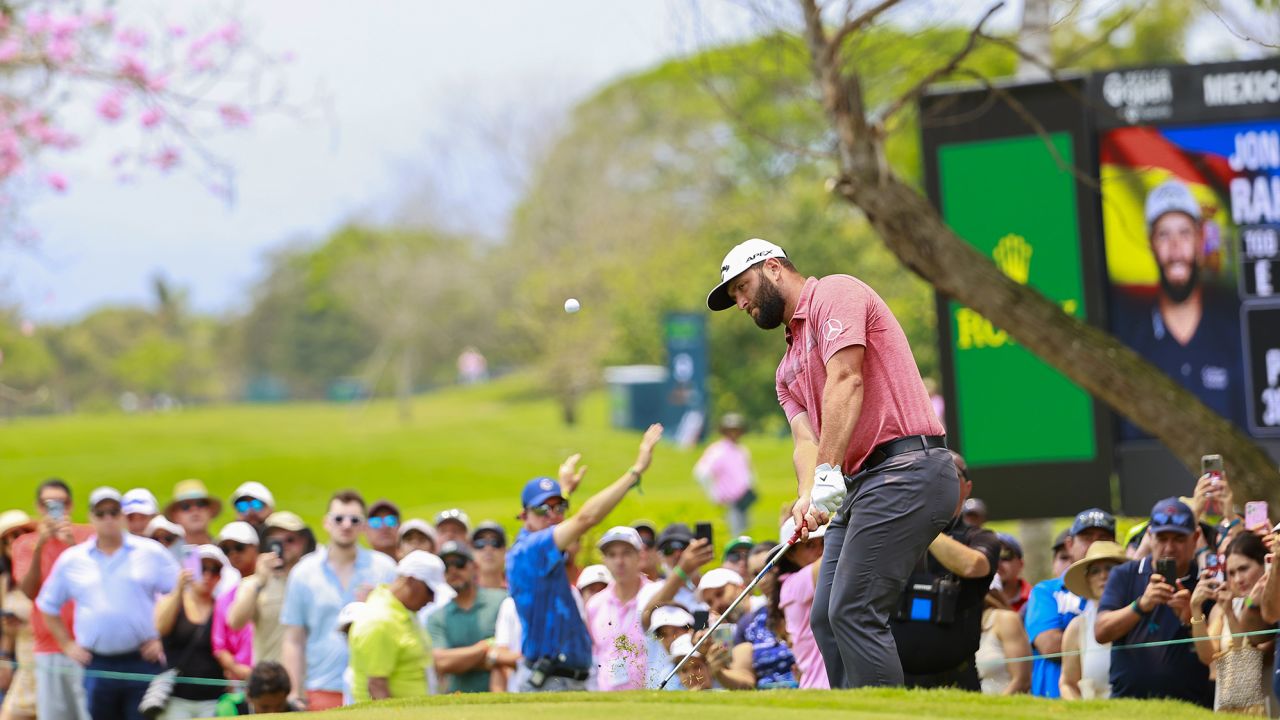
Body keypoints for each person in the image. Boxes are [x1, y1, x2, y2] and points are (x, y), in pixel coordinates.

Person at [707, 238, 958, 689]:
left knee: (854, 609)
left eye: (743, 287)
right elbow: (806, 440)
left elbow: (848, 378)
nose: (742, 302)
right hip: (864, 485)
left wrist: (827, 475)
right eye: (735, 298)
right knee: (824, 616)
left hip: (909, 467)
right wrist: (808, 496)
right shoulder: (786, 368)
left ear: (774, 268)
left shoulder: (834, 294)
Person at [507, 424, 663, 692]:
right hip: (550, 679)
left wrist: (566, 492)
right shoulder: (528, 550)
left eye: (559, 507)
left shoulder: (543, 544)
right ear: (523, 516)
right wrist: (635, 471)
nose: (552, 514)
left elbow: (566, 531)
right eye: (542, 509)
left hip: (570, 678)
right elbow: (586, 519)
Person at [36, 487, 180, 720]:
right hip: (97, 662)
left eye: (114, 512)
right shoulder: (74, 559)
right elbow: (48, 605)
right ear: (92, 517)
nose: (108, 519)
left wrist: (163, 640)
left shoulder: (149, 552)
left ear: (122, 515)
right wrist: (67, 644)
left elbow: (179, 593)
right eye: (101, 513)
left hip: (142, 658)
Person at [1118, 178, 1247, 437]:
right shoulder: (1131, 343)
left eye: (1184, 233)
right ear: (1151, 244)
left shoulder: (1233, 339)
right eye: (1164, 234)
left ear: (1200, 242)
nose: (1175, 247)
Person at [890, 452, 1001, 691]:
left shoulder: (979, 537)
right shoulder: (894, 532)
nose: (939, 480)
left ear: (967, 487)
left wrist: (921, 525)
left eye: (951, 474)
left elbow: (974, 565)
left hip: (956, 679)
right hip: (897, 679)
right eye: (929, 474)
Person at [280, 491, 396, 710]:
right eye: (339, 519)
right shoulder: (304, 572)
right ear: (326, 523)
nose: (346, 525)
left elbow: (398, 627)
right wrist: (295, 692)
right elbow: (294, 638)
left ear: (363, 526)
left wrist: (378, 603)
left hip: (374, 687)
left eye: (354, 520)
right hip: (321, 688)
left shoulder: (384, 568)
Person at [1095, 498, 1213, 707]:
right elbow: (1101, 632)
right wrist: (1140, 606)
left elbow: (1217, 652)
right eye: (1161, 538)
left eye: (1178, 538)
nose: (1169, 547)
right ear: (1149, 537)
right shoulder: (1125, 575)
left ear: (1195, 538)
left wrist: (1191, 618)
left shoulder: (1205, 581)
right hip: (1127, 706)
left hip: (1192, 707)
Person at [11, 478, 93, 720]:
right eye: (49, 504)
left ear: (70, 505)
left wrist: (71, 545)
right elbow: (29, 591)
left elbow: (95, 582)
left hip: (85, 643)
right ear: (39, 507)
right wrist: (40, 546)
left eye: (62, 503)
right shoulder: (25, 543)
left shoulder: (87, 536)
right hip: (47, 645)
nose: (55, 509)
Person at [1024, 508, 1116, 698]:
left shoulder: (1124, 591)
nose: (1094, 544)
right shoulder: (1046, 591)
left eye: (1103, 538)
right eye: (1087, 537)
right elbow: (1049, 645)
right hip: (1055, 703)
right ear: (1070, 544)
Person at [348, 551, 448, 702]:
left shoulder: (404, 612)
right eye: (430, 590)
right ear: (411, 581)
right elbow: (377, 687)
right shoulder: (380, 621)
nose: (432, 599)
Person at [1191, 531, 1273, 713]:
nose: (1238, 579)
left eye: (1244, 569)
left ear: (1264, 565)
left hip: (1263, 709)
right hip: (1228, 710)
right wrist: (1195, 608)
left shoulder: (1273, 608)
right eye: (1231, 573)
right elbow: (1207, 656)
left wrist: (1232, 613)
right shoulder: (1226, 606)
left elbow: (1252, 661)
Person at [154, 545, 231, 719]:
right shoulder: (173, 601)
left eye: (215, 570)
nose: (208, 575)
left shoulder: (222, 607)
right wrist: (179, 589)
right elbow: (161, 627)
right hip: (175, 699)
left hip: (213, 700)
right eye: (202, 568)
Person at [228, 511, 311, 666]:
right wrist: (259, 581)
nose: (284, 546)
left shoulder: (314, 580)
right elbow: (235, 622)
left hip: (309, 679)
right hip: (270, 679)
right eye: (276, 541)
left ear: (303, 542)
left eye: (290, 540)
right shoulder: (253, 583)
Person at [427, 541, 509, 693]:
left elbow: (512, 652)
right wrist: (484, 648)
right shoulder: (437, 617)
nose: (453, 570)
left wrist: (459, 661)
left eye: (459, 563)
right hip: (456, 706)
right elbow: (440, 663)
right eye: (446, 566)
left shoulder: (502, 601)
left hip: (503, 697)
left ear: (475, 567)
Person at [585, 526, 654, 692]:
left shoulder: (654, 596)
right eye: (612, 555)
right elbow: (595, 658)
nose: (619, 561)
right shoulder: (595, 604)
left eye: (626, 553)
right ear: (604, 560)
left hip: (649, 698)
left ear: (640, 555)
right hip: (606, 701)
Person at [1058, 541, 1125, 699]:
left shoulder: (1144, 616)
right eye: (1095, 571)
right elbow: (1068, 683)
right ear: (1088, 580)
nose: (1103, 576)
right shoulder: (1078, 627)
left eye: (1110, 568)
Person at [731, 543, 798, 689]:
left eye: (769, 568)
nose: (763, 579)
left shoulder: (803, 607)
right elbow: (744, 677)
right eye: (756, 574)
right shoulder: (748, 623)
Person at [777, 517, 827, 689]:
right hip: (820, 685)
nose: (820, 549)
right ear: (790, 554)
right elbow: (830, 561)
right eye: (810, 545)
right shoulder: (792, 584)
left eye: (824, 542)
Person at [693, 414, 758, 536]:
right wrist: (714, 494)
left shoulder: (742, 450)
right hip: (730, 502)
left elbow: (748, 473)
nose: (734, 434)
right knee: (734, 534)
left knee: (745, 534)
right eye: (731, 430)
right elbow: (701, 472)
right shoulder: (717, 450)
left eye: (736, 430)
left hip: (744, 500)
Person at [1, 510, 37, 720]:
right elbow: (8, 632)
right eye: (7, 541)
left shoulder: (47, 571)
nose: (13, 544)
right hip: (23, 664)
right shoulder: (6, 582)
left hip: (48, 661)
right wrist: (4, 660)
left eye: (18, 536)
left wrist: (27, 622)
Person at [213, 522, 260, 682]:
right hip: (240, 681)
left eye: (239, 547)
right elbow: (220, 647)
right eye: (227, 550)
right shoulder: (225, 598)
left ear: (256, 548)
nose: (233, 554)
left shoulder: (275, 589)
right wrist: (239, 670)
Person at [975, 594, 1032, 695]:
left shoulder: (1006, 620)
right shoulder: (958, 625)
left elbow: (1022, 681)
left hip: (1005, 706)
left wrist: (991, 708)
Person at [214, 661, 295, 716]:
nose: (272, 714)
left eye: (279, 707)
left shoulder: (295, 713)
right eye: (264, 707)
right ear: (248, 696)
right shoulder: (229, 708)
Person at [165, 479, 222, 547]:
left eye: (201, 503)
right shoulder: (168, 554)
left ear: (210, 511)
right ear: (174, 515)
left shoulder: (228, 549)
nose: (194, 509)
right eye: (185, 506)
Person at [994, 534, 1030, 614]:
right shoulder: (974, 600)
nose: (997, 564)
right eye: (991, 557)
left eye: (1006, 556)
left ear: (1021, 564)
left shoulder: (1036, 598)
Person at [471, 521, 508, 590]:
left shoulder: (520, 588)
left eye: (495, 543)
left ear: (506, 551)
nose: (488, 548)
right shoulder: (461, 591)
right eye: (480, 543)